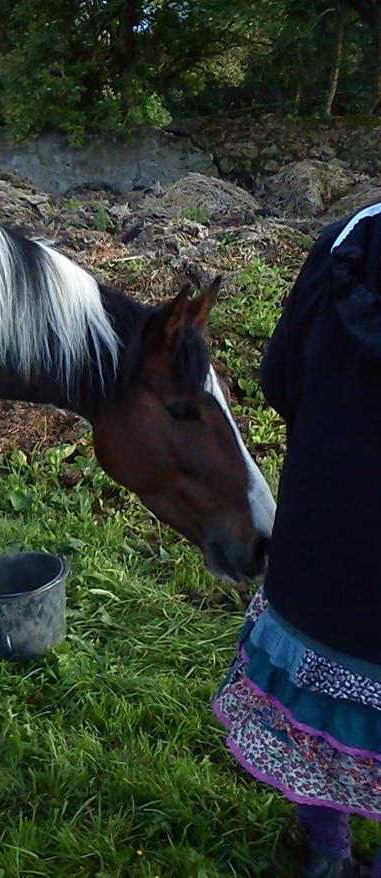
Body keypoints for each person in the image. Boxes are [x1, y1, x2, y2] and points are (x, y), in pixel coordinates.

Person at [213, 202, 381, 878]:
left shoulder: (352, 236)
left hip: (327, 536)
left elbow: (281, 378)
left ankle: (325, 851)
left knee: (322, 696)